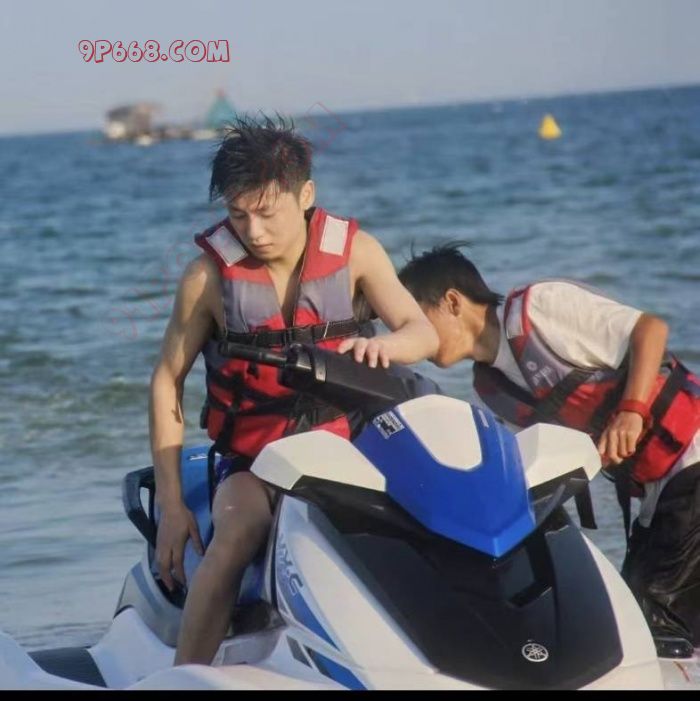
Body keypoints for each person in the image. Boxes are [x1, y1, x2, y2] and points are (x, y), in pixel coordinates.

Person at [149, 116, 439, 665]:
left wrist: (387, 347)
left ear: (305, 195)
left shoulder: (357, 254)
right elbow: (167, 378)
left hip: (352, 447)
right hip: (257, 462)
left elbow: (421, 332)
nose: (253, 231)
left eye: (267, 213)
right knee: (238, 532)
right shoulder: (206, 278)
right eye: (238, 215)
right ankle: (185, 674)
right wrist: (170, 503)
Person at [398, 242, 700, 658]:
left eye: (413, 320)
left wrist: (631, 411)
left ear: (452, 302)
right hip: (658, 490)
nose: (409, 337)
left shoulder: (541, 307)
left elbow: (649, 330)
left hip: (692, 453)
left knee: (652, 621)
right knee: (627, 612)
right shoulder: (489, 390)